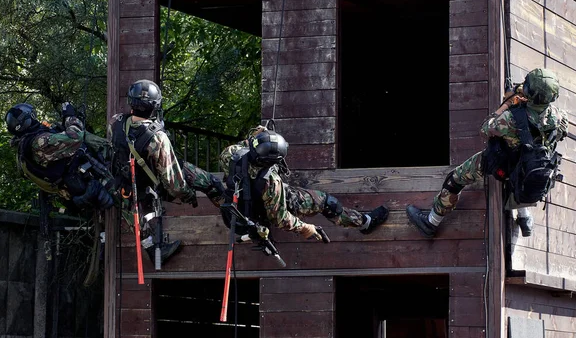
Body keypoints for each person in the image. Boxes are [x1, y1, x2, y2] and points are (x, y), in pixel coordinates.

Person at [406, 67, 569, 238]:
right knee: (522, 170)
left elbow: (486, 128)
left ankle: (431, 221)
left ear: (529, 92)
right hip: (530, 169)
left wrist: (508, 104)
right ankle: (525, 218)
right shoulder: (559, 118)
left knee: (456, 178)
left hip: (506, 164)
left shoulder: (511, 119)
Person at [109, 79, 225, 264]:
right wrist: (188, 195)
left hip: (127, 186)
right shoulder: (157, 137)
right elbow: (173, 184)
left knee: (134, 214)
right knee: (213, 183)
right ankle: (234, 216)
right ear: (155, 106)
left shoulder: (116, 123)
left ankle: (153, 249)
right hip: (151, 185)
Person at [219, 125, 389, 242]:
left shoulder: (230, 154)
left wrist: (258, 137)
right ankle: (365, 223)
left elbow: (245, 147)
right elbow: (281, 219)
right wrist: (305, 227)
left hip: (240, 203)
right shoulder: (271, 183)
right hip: (262, 207)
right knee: (325, 202)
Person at [5, 102, 115, 211]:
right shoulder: (38, 143)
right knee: (117, 190)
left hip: (74, 185)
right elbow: (76, 136)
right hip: (85, 180)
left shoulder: (23, 146)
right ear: (27, 121)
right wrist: (70, 117)